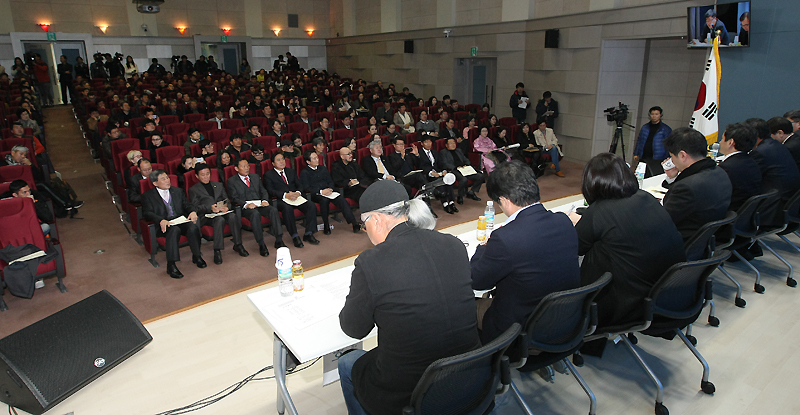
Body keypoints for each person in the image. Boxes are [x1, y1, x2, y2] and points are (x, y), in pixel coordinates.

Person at [338, 180, 481, 415]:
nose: (366, 232)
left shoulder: (371, 262)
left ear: (377, 219)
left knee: (348, 362)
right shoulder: (453, 244)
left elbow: (354, 329)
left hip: (411, 391)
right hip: (470, 373)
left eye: (365, 225)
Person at [567, 153, 685, 330]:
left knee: (591, 255)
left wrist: (577, 223)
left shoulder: (599, 212)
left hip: (629, 304)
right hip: (668, 292)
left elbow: (576, 247)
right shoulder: (646, 198)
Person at [472, 160, 579, 343]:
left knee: (464, 306)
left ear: (504, 200)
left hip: (520, 328)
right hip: (564, 318)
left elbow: (477, 281)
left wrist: (483, 246)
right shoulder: (563, 221)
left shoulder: (505, 238)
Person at [662, 127, 732, 240]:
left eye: (672, 156)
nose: (672, 161)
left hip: (682, 241)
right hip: (706, 238)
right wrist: (674, 178)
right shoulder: (719, 172)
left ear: (682, 155)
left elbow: (662, 220)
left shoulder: (687, 187)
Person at [141, 170, 205, 279]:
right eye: (163, 179)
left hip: (179, 220)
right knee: (174, 230)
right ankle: (171, 264)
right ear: (155, 183)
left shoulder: (177, 191)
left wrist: (192, 211)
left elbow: (187, 205)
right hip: (164, 224)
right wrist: (160, 220)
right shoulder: (148, 196)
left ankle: (197, 255)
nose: (167, 180)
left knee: (192, 227)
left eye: (167, 178)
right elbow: (147, 213)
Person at [189, 164, 249, 264]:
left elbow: (227, 201)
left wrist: (226, 207)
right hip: (207, 216)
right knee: (219, 220)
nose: (206, 176)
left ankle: (238, 244)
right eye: (202, 175)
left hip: (222, 212)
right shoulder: (193, 190)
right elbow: (195, 207)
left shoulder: (218, 185)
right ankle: (217, 250)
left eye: (207, 173)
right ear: (197, 176)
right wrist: (210, 208)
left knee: (233, 216)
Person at [747, 118, 800, 227]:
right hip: (789, 206)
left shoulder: (760, 152)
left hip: (773, 210)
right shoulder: (777, 146)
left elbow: (748, 178)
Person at [227, 159, 286, 256]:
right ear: (236, 168)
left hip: (259, 204)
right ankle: (261, 243)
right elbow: (234, 198)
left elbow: (263, 191)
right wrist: (246, 204)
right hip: (246, 208)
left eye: (247, 166)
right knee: (255, 214)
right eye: (243, 166)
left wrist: (265, 200)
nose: (247, 168)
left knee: (273, 210)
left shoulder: (255, 177)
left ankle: (279, 239)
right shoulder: (231, 181)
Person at [263, 153, 320, 248]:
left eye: (282, 159)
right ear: (273, 163)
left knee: (311, 206)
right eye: (278, 160)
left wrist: (297, 192)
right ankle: (295, 236)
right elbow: (270, 191)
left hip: (295, 197)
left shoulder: (290, 171)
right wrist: (286, 195)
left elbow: (300, 185)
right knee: (287, 209)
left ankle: (309, 233)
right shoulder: (268, 175)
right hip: (281, 199)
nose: (281, 161)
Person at [300, 151, 361, 234]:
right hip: (317, 194)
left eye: (317, 157)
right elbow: (307, 188)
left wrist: (330, 188)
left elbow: (331, 181)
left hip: (329, 192)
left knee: (341, 200)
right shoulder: (304, 172)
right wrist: (321, 191)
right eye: (314, 158)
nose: (317, 160)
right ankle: (326, 225)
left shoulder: (322, 168)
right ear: (308, 162)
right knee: (324, 200)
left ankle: (354, 223)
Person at [718, 122, 762, 215]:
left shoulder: (726, 168)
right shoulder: (752, 162)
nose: (720, 142)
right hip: (744, 216)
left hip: (728, 215)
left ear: (731, 142)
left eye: (722, 139)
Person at [417, 135, 458, 213]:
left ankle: (451, 202)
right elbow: (421, 166)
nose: (429, 144)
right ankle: (445, 203)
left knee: (448, 180)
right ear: (422, 143)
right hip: (427, 175)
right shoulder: (419, 153)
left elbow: (441, 163)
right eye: (426, 142)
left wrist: (444, 170)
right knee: (441, 182)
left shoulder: (435, 152)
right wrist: (431, 173)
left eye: (430, 142)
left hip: (438, 173)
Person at [439, 137, 484, 204]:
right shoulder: (443, 152)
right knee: (464, 180)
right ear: (446, 145)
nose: (453, 144)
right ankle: (460, 196)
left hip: (464, 169)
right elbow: (445, 163)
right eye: (451, 143)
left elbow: (466, 159)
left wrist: (466, 164)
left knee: (480, 176)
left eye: (454, 143)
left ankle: (471, 192)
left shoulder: (459, 150)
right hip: (454, 170)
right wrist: (456, 167)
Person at [633, 106, 673, 177]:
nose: (654, 116)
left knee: (653, 174)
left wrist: (667, 157)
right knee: (641, 174)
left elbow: (669, 145)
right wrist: (636, 153)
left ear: (660, 115)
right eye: (652, 114)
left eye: (656, 114)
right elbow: (640, 140)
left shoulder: (665, 129)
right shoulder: (645, 127)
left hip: (658, 157)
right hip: (644, 155)